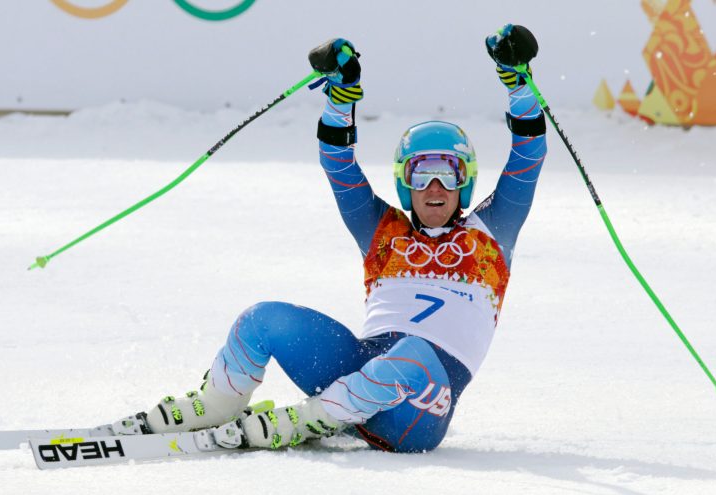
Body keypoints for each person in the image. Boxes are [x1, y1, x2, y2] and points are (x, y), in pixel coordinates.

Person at [112, 24, 547, 453]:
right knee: (262, 317)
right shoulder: (382, 231)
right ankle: (217, 403)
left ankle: (310, 419)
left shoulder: (492, 232)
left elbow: (529, 151)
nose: (435, 187)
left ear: (465, 181)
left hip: (419, 411)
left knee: (415, 352)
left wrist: (516, 81)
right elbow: (338, 163)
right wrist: (341, 97)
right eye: (421, 173)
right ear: (404, 183)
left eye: (448, 173)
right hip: (358, 371)